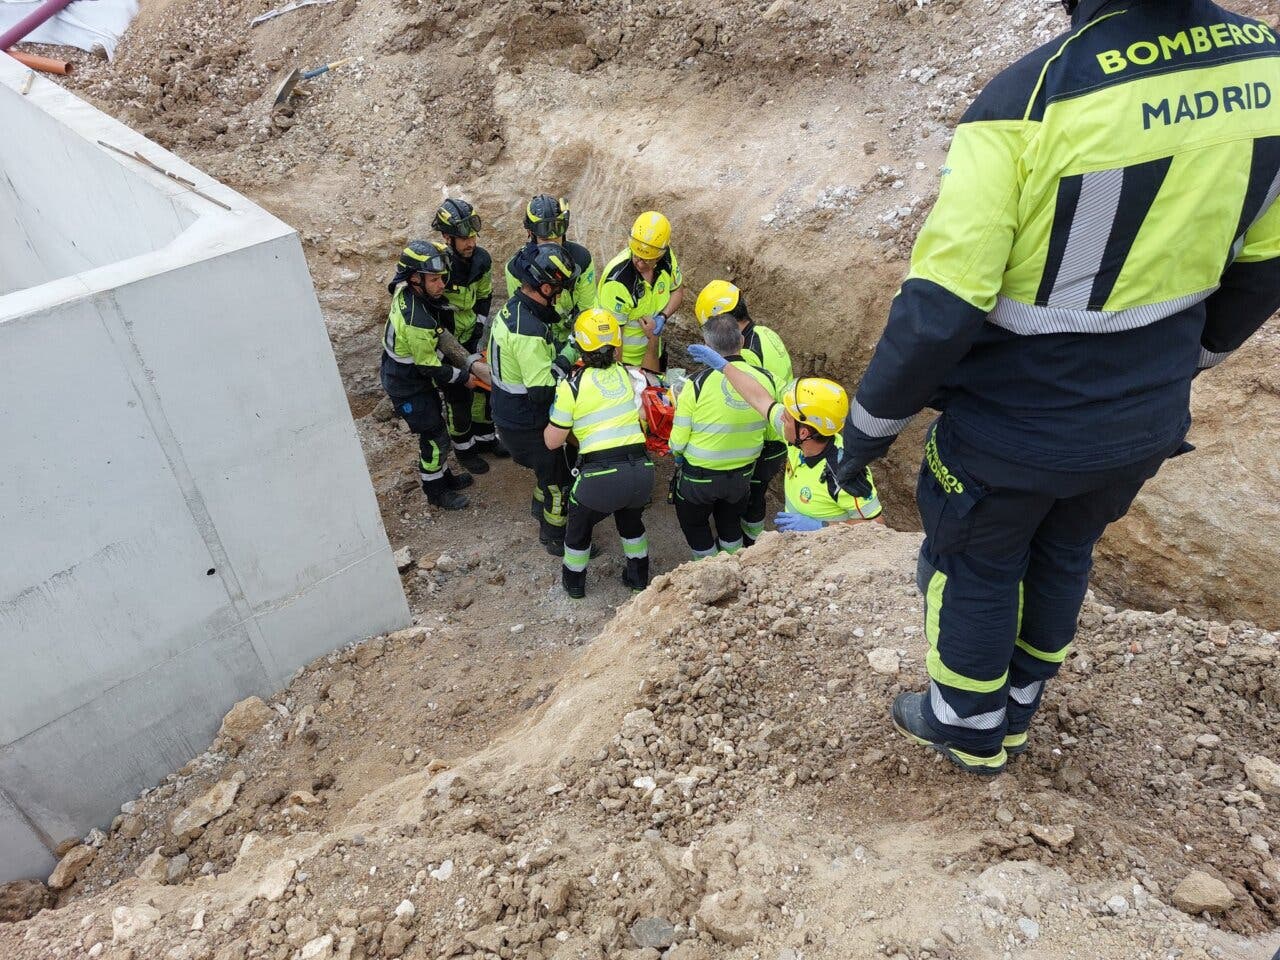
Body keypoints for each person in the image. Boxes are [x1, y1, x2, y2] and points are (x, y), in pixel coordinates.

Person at [827, 0, 1280, 776]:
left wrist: (866, 433)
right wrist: (1184, 361)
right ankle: (1020, 703)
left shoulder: (1028, 100)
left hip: (1014, 424)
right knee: (1066, 547)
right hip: (1144, 417)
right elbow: (1263, 269)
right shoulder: (1264, 68)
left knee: (977, 560)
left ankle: (969, 727)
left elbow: (940, 310)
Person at [688, 344, 883, 533]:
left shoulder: (844, 473)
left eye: (787, 417)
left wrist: (822, 527)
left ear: (804, 432)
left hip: (824, 551)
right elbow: (759, 399)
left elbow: (876, 524)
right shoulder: (798, 440)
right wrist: (725, 367)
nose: (781, 418)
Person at [544, 309, 655, 598]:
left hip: (599, 477)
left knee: (578, 527)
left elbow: (553, 442)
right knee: (631, 522)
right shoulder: (631, 375)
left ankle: (575, 584)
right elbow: (645, 415)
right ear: (616, 345)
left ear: (580, 346)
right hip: (641, 473)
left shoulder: (571, 386)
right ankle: (638, 578)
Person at [381, 241, 487, 510]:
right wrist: (465, 377)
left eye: (442, 277)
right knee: (435, 436)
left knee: (436, 428)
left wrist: (468, 363)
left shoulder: (412, 293)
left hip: (411, 374)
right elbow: (429, 366)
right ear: (415, 278)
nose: (442, 285)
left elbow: (439, 337)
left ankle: (444, 477)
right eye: (435, 279)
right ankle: (436, 491)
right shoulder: (416, 319)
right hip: (406, 382)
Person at [489, 243, 580, 553]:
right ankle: (557, 537)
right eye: (558, 291)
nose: (560, 298)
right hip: (525, 421)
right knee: (559, 481)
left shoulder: (514, 309)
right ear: (545, 287)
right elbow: (542, 390)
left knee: (546, 472)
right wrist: (570, 353)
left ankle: (538, 509)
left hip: (509, 413)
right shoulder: (528, 330)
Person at [695, 280, 795, 545]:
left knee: (749, 495)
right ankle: (752, 540)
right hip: (780, 432)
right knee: (757, 493)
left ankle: (749, 545)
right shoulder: (765, 333)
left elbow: (739, 398)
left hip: (766, 437)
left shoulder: (747, 353)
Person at [670, 316, 775, 558]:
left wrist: (677, 455)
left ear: (707, 349)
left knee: (695, 525)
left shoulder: (696, 384)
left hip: (699, 478)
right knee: (730, 522)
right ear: (742, 341)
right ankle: (734, 564)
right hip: (742, 476)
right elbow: (770, 429)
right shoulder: (765, 379)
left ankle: (708, 567)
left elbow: (678, 441)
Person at [433, 198, 504, 474]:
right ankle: (464, 449)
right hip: (446, 341)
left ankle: (485, 438)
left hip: (471, 334)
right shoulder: (438, 268)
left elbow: (484, 295)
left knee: (483, 389)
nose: (470, 243)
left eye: (473, 236)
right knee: (457, 397)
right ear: (447, 237)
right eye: (464, 238)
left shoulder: (481, 260)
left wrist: (479, 327)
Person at [504, 194, 597, 347]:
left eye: (557, 237)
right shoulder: (516, 269)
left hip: (576, 334)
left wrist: (573, 345)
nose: (553, 244)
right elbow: (524, 314)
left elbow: (586, 308)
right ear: (531, 234)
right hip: (539, 338)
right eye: (545, 240)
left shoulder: (582, 259)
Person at [598, 211, 683, 371]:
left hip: (652, 352)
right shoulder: (618, 281)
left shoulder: (667, 259)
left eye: (647, 259)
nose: (639, 262)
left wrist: (662, 317)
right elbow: (614, 340)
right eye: (636, 255)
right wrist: (620, 374)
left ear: (659, 255)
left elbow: (677, 291)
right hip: (625, 362)